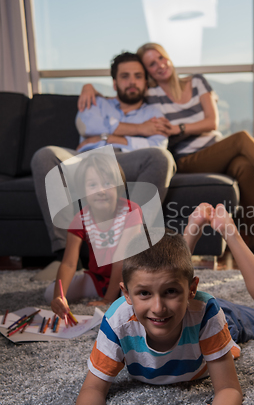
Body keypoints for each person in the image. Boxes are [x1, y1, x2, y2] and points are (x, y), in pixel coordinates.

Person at [75, 203, 254, 405]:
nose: (157, 307)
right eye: (144, 293)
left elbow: (229, 388)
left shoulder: (208, 314)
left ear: (192, 289)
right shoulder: (117, 321)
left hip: (209, 321)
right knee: (168, 275)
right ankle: (192, 230)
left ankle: (230, 231)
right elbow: (91, 389)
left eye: (170, 292)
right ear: (126, 295)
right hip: (184, 306)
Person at [79, 44, 254, 256]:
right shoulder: (152, 95)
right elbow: (123, 96)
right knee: (241, 138)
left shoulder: (196, 82)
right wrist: (90, 87)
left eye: (161, 58)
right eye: (151, 65)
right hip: (187, 158)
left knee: (245, 165)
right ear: (149, 74)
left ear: (169, 59)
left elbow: (212, 122)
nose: (159, 66)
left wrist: (179, 127)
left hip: (215, 150)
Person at [31, 52, 176, 281]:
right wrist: (139, 129)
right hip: (87, 162)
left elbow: (157, 143)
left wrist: (105, 135)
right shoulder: (96, 102)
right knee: (44, 155)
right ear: (115, 82)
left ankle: (133, 253)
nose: (132, 81)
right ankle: (65, 257)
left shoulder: (154, 113)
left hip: (126, 162)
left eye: (138, 76)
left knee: (162, 157)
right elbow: (87, 127)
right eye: (125, 76)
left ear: (145, 81)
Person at [44, 153, 143, 314]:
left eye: (107, 183)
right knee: (50, 293)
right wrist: (58, 298)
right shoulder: (80, 219)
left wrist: (107, 300)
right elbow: (69, 264)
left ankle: (114, 296)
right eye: (92, 185)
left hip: (128, 277)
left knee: (138, 297)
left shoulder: (132, 211)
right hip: (98, 279)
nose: (101, 191)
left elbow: (121, 261)